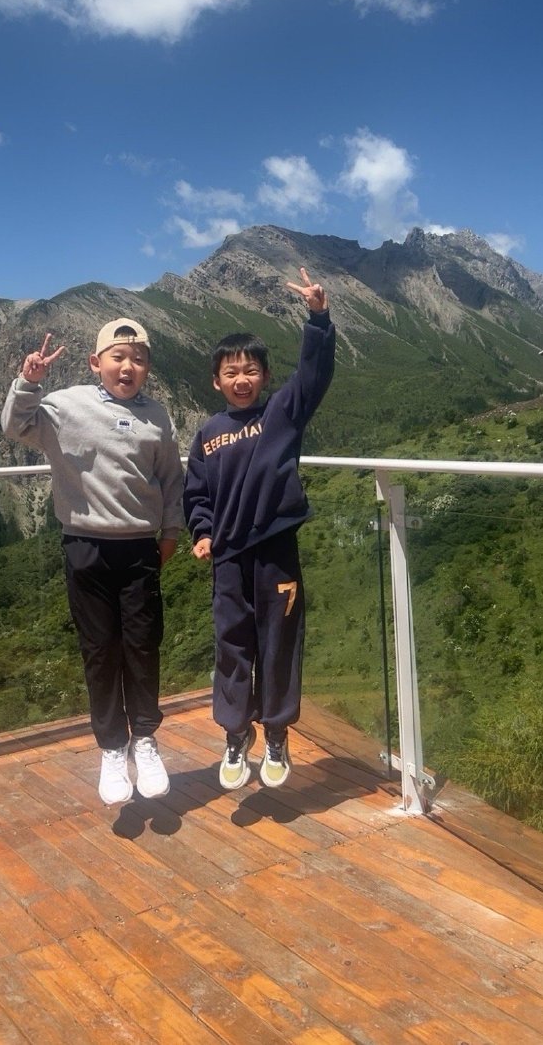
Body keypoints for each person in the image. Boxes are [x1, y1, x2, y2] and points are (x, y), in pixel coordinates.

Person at [1, 312, 183, 814]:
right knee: (100, 651)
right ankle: (111, 749)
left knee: (143, 646)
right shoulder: (64, 405)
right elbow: (15, 427)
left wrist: (169, 535)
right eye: (118, 357)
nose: (128, 366)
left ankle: (144, 740)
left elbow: (171, 480)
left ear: (147, 367)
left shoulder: (158, 416)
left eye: (138, 359)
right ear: (95, 363)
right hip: (85, 546)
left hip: (140, 549)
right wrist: (29, 382)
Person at [184, 266, 336, 794]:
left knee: (279, 642)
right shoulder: (207, 434)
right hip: (228, 558)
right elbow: (196, 493)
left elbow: (314, 377)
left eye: (250, 370)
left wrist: (318, 318)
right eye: (231, 372)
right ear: (216, 381)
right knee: (232, 644)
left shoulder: (282, 414)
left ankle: (275, 733)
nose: (241, 379)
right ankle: (234, 733)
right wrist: (202, 532)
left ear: (265, 377)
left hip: (276, 551)